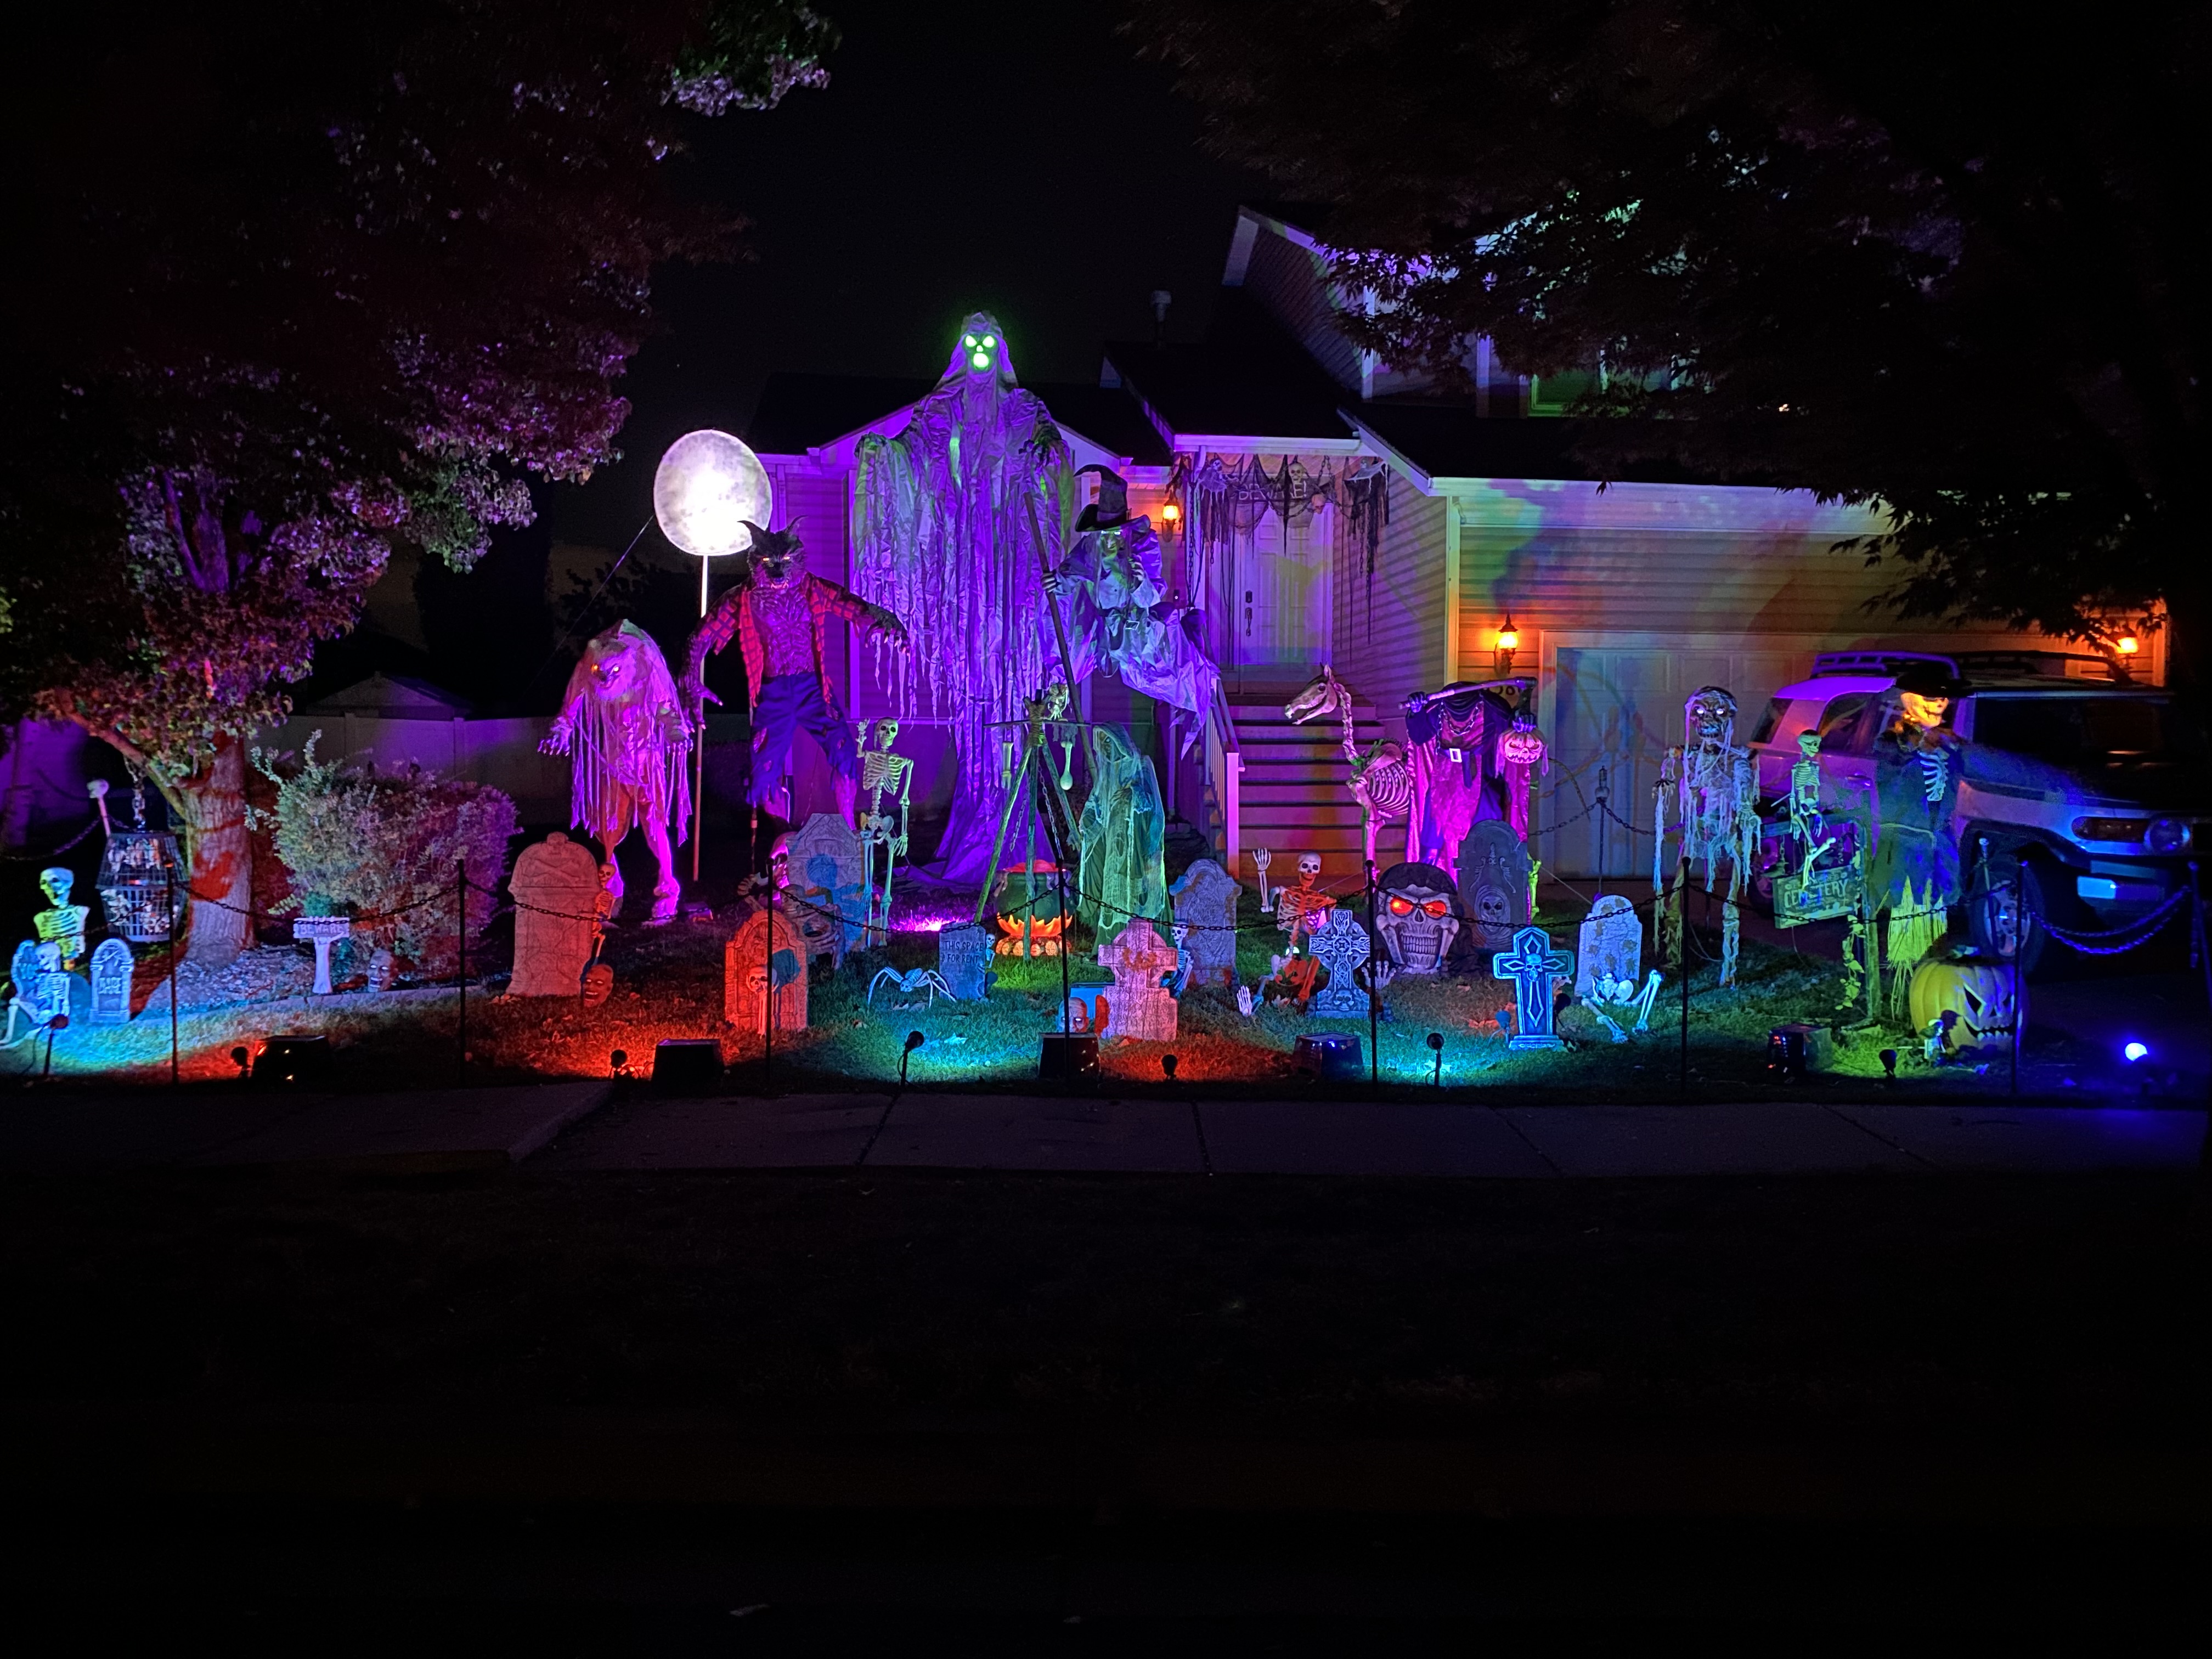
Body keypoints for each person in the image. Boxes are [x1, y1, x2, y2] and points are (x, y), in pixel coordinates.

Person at [681, 520, 906, 826]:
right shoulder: (744, 598)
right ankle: (780, 837)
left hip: (813, 688)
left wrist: (885, 619)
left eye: (785, 560)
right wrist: (690, 678)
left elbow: (853, 607)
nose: (777, 569)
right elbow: (701, 636)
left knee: (844, 752)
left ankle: (849, 831)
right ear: (756, 561)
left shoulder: (812, 588)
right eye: (768, 561)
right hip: (773, 692)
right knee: (764, 770)